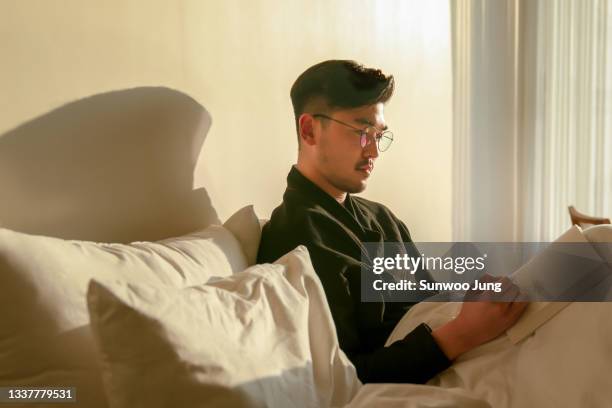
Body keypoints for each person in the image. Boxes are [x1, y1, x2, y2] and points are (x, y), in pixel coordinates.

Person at [257, 60, 526, 384]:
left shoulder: (382, 218)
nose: (373, 151)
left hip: (475, 353)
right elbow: (345, 376)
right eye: (360, 132)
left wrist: (471, 305)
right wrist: (463, 332)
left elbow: (428, 305)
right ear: (309, 130)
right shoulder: (299, 240)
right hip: (444, 369)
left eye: (379, 135)